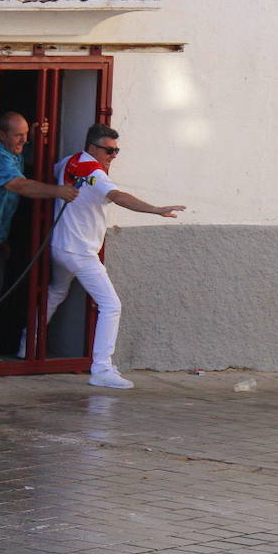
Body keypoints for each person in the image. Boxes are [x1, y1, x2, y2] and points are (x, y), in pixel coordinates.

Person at [44, 123, 184, 388]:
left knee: (56, 292)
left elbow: (55, 173)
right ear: (93, 148)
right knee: (111, 305)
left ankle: (27, 345)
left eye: (116, 151)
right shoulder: (94, 172)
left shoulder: (69, 162)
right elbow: (118, 197)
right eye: (108, 150)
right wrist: (155, 209)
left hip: (61, 246)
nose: (113, 156)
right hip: (80, 252)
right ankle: (102, 369)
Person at [0, 112, 78, 356]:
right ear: (1, 135)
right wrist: (57, 191)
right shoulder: (0, 157)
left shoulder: (14, 153)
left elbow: (33, 159)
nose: (23, 141)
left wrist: (41, 137)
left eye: (25, 135)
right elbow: (19, 184)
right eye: (18, 135)